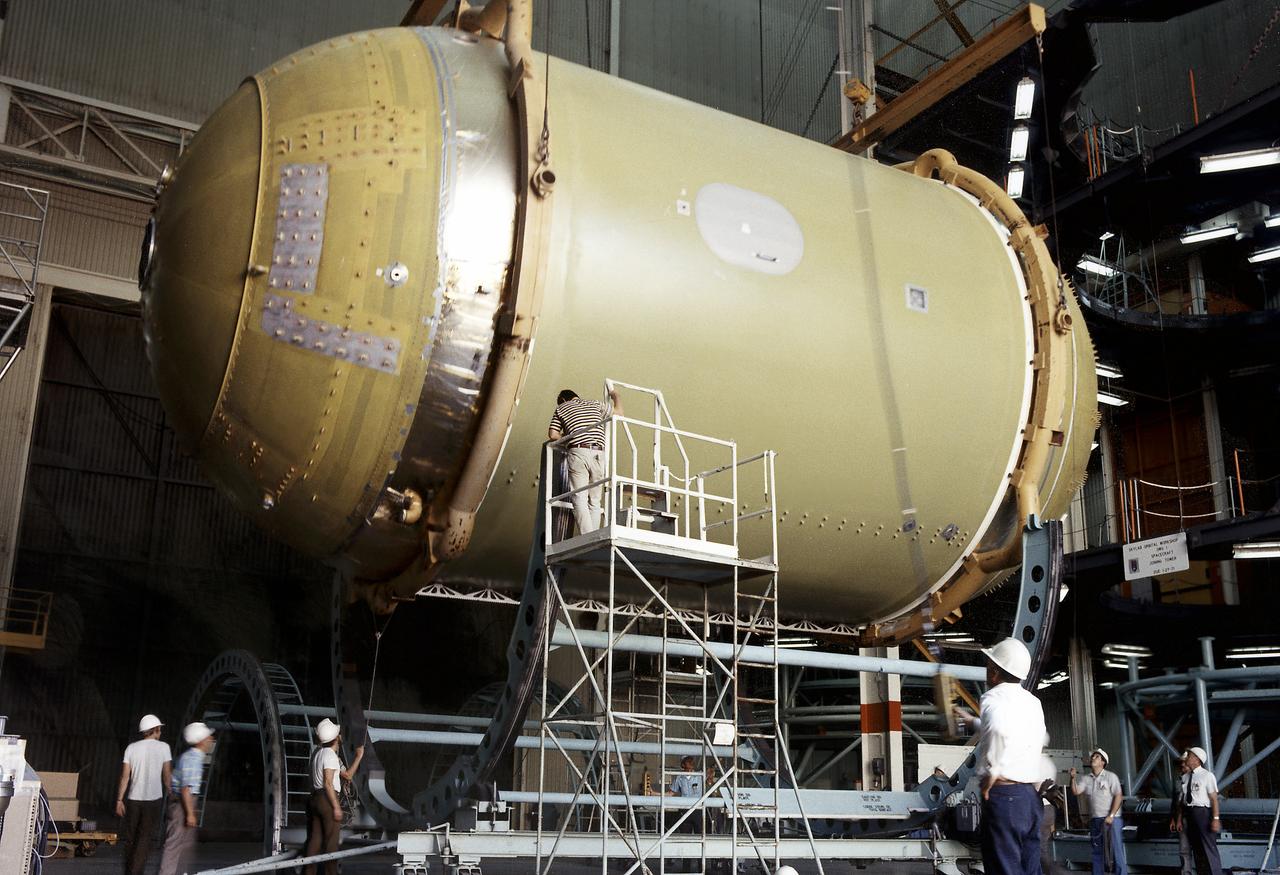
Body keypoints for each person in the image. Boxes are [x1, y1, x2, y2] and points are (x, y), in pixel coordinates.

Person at [954, 637, 1048, 875]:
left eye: (989, 665)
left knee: (1004, 869)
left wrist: (993, 771)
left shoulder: (992, 697)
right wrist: (973, 722)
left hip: (1005, 797)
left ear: (995, 672)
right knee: (1030, 869)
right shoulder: (1033, 702)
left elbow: (997, 728)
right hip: (1031, 799)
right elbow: (1016, 732)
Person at [548, 387, 622, 534]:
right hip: (599, 453)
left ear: (563, 400)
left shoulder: (561, 408)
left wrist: (569, 434)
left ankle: (587, 536)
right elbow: (619, 413)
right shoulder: (594, 403)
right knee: (594, 500)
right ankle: (593, 535)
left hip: (578, 452)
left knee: (579, 498)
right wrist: (616, 396)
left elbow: (553, 435)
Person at [303, 718, 365, 875]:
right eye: (338, 733)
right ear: (335, 738)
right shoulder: (330, 756)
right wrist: (336, 807)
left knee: (314, 842)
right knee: (331, 844)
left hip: (315, 799)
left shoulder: (317, 754)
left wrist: (355, 760)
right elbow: (328, 783)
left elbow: (346, 775)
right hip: (327, 800)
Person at [116, 714, 172, 875]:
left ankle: (128, 871)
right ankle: (136, 872)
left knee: (131, 838)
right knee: (145, 839)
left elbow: (125, 776)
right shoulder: (164, 748)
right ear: (155, 730)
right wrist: (172, 794)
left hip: (133, 800)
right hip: (153, 800)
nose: (160, 732)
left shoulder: (131, 748)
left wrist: (119, 800)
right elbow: (167, 777)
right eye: (159, 729)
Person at [157, 722, 215, 875]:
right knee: (175, 844)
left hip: (183, 802)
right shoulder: (193, 759)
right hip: (182, 805)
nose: (211, 739)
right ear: (201, 740)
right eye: (208, 736)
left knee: (185, 845)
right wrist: (189, 813)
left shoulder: (192, 756)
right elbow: (185, 789)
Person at [1070, 748, 1128, 875]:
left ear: (1103, 762)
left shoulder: (1110, 777)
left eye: (1096, 757)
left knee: (1116, 850)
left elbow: (1118, 796)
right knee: (1097, 851)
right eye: (1093, 756)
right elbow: (1076, 791)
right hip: (1096, 820)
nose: (1093, 758)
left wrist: (1111, 815)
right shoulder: (1087, 779)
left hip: (1112, 820)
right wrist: (1073, 778)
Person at [1179, 746, 1223, 875]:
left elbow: (1214, 799)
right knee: (1197, 848)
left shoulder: (1207, 776)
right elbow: (1183, 800)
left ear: (1197, 760)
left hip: (1203, 813)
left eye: (1190, 755)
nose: (1187, 757)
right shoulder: (1186, 777)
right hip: (1190, 813)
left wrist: (1215, 819)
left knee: (1209, 848)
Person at [1170, 751, 1194, 875]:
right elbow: (1175, 801)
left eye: (1185, 762)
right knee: (1184, 848)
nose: (1183, 765)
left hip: (1196, 816)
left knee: (1199, 847)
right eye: (1182, 763)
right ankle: (1186, 872)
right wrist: (1174, 818)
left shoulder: (1198, 777)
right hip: (1183, 818)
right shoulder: (1178, 780)